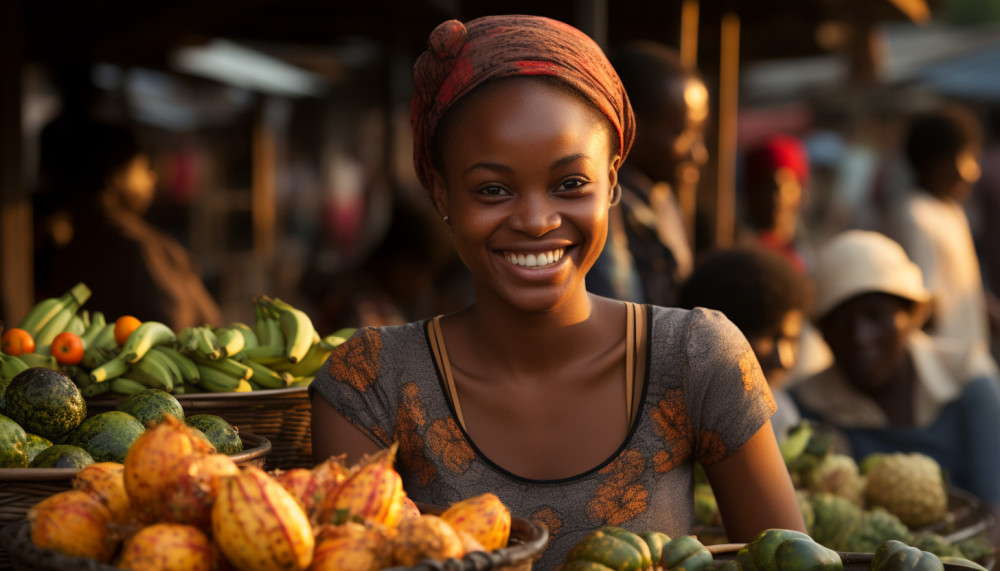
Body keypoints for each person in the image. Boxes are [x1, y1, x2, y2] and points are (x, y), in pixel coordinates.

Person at [310, 15, 804, 568]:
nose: (537, 220)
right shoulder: (369, 386)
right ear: (441, 192)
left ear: (613, 179)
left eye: (570, 184)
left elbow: (793, 558)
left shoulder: (694, 358)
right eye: (492, 189)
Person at [790, 230, 1000, 514]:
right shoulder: (805, 407)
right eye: (840, 322)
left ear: (911, 316)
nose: (860, 337)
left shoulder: (967, 379)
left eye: (875, 315)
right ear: (823, 333)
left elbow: (994, 506)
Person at [34, 117, 222, 330]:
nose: (152, 177)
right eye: (142, 167)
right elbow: (176, 326)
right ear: (115, 176)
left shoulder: (69, 246)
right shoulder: (134, 247)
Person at [587, 41, 709, 306]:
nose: (698, 153)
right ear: (632, 129)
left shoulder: (660, 198)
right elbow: (620, 311)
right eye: (682, 133)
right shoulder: (605, 205)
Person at [883, 104, 997, 374]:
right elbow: (923, 306)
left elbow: (964, 287)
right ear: (939, 163)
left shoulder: (951, 211)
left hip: (970, 363)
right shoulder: (913, 216)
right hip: (944, 372)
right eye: (967, 158)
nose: (974, 171)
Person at [677, 247, 813, 439]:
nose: (783, 360)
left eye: (791, 340)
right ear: (719, 334)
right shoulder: (668, 417)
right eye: (767, 337)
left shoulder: (780, 415)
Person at [737, 134, 811, 274]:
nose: (777, 198)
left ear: (800, 192)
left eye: (786, 185)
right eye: (765, 188)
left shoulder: (804, 253)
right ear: (749, 196)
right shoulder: (743, 256)